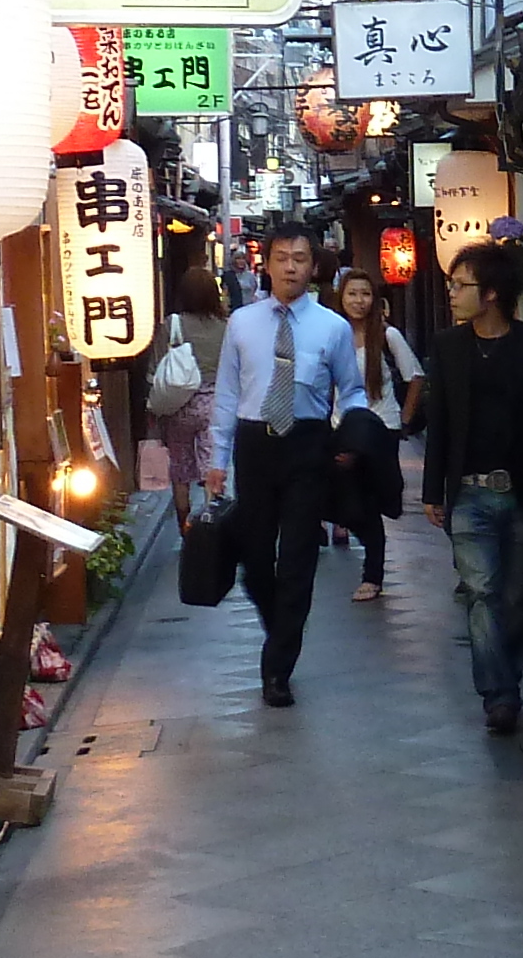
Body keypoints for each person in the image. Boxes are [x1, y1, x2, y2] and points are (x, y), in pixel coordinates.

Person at [202, 225, 363, 708]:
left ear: (314, 267)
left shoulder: (332, 328)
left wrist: (351, 435)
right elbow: (227, 393)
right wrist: (217, 459)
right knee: (255, 562)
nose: (290, 267)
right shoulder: (242, 323)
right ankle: (282, 628)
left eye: (299, 258)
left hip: (308, 444)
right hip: (254, 444)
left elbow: (351, 390)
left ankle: (277, 670)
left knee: (297, 559)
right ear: (266, 265)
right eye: (281, 258)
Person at [420, 238, 523, 737]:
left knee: (515, 599)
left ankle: (509, 682)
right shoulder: (448, 347)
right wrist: (432, 489)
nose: (452, 294)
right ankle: (498, 695)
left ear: (491, 294)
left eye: (460, 285)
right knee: (481, 594)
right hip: (470, 491)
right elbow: (437, 421)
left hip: (522, 491)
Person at [329, 265, 423, 601]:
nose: (359, 300)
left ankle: (373, 575)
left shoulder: (386, 335)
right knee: (349, 502)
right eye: (352, 293)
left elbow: (415, 376)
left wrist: (405, 420)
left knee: (366, 502)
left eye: (365, 294)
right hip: (342, 427)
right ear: (341, 298)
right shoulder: (332, 335)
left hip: (379, 427)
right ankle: (369, 560)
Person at [148, 271, 227, 532]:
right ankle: (210, 521)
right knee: (210, 464)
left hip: (178, 404)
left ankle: (185, 523)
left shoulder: (173, 324)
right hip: (214, 404)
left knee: (180, 464)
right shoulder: (225, 327)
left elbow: (155, 369)